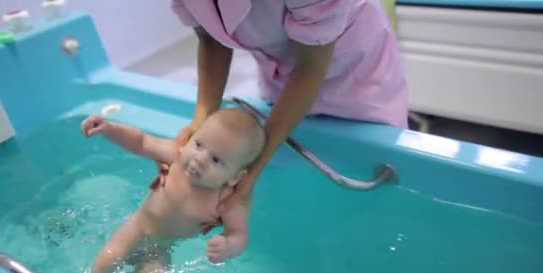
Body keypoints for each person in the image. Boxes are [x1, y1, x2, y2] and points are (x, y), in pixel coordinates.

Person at [167, 0, 408, 217]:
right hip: (283, 70)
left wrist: (254, 165)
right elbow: (211, 39)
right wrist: (200, 125)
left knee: (367, 197)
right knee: (287, 191)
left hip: (357, 71)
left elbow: (309, 67)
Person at [78, 107, 265, 273]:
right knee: (108, 259)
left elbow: (239, 233)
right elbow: (141, 142)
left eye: (216, 160)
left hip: (162, 248)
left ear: (235, 177)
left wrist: (228, 245)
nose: (199, 159)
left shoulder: (225, 201)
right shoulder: (175, 156)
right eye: (199, 144)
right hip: (136, 229)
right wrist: (110, 129)